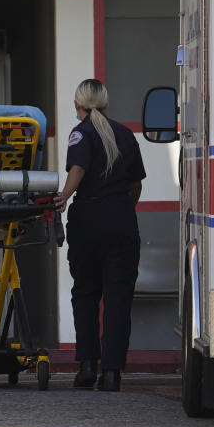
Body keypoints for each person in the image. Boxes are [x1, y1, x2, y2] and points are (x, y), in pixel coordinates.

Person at [54, 79, 146, 392]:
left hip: (88, 220)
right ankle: (112, 373)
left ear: (78, 105)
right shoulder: (125, 134)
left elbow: (77, 170)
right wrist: (120, 209)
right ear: (106, 104)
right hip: (121, 219)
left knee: (86, 294)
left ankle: (88, 366)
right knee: (118, 299)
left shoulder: (81, 132)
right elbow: (136, 185)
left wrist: (63, 197)